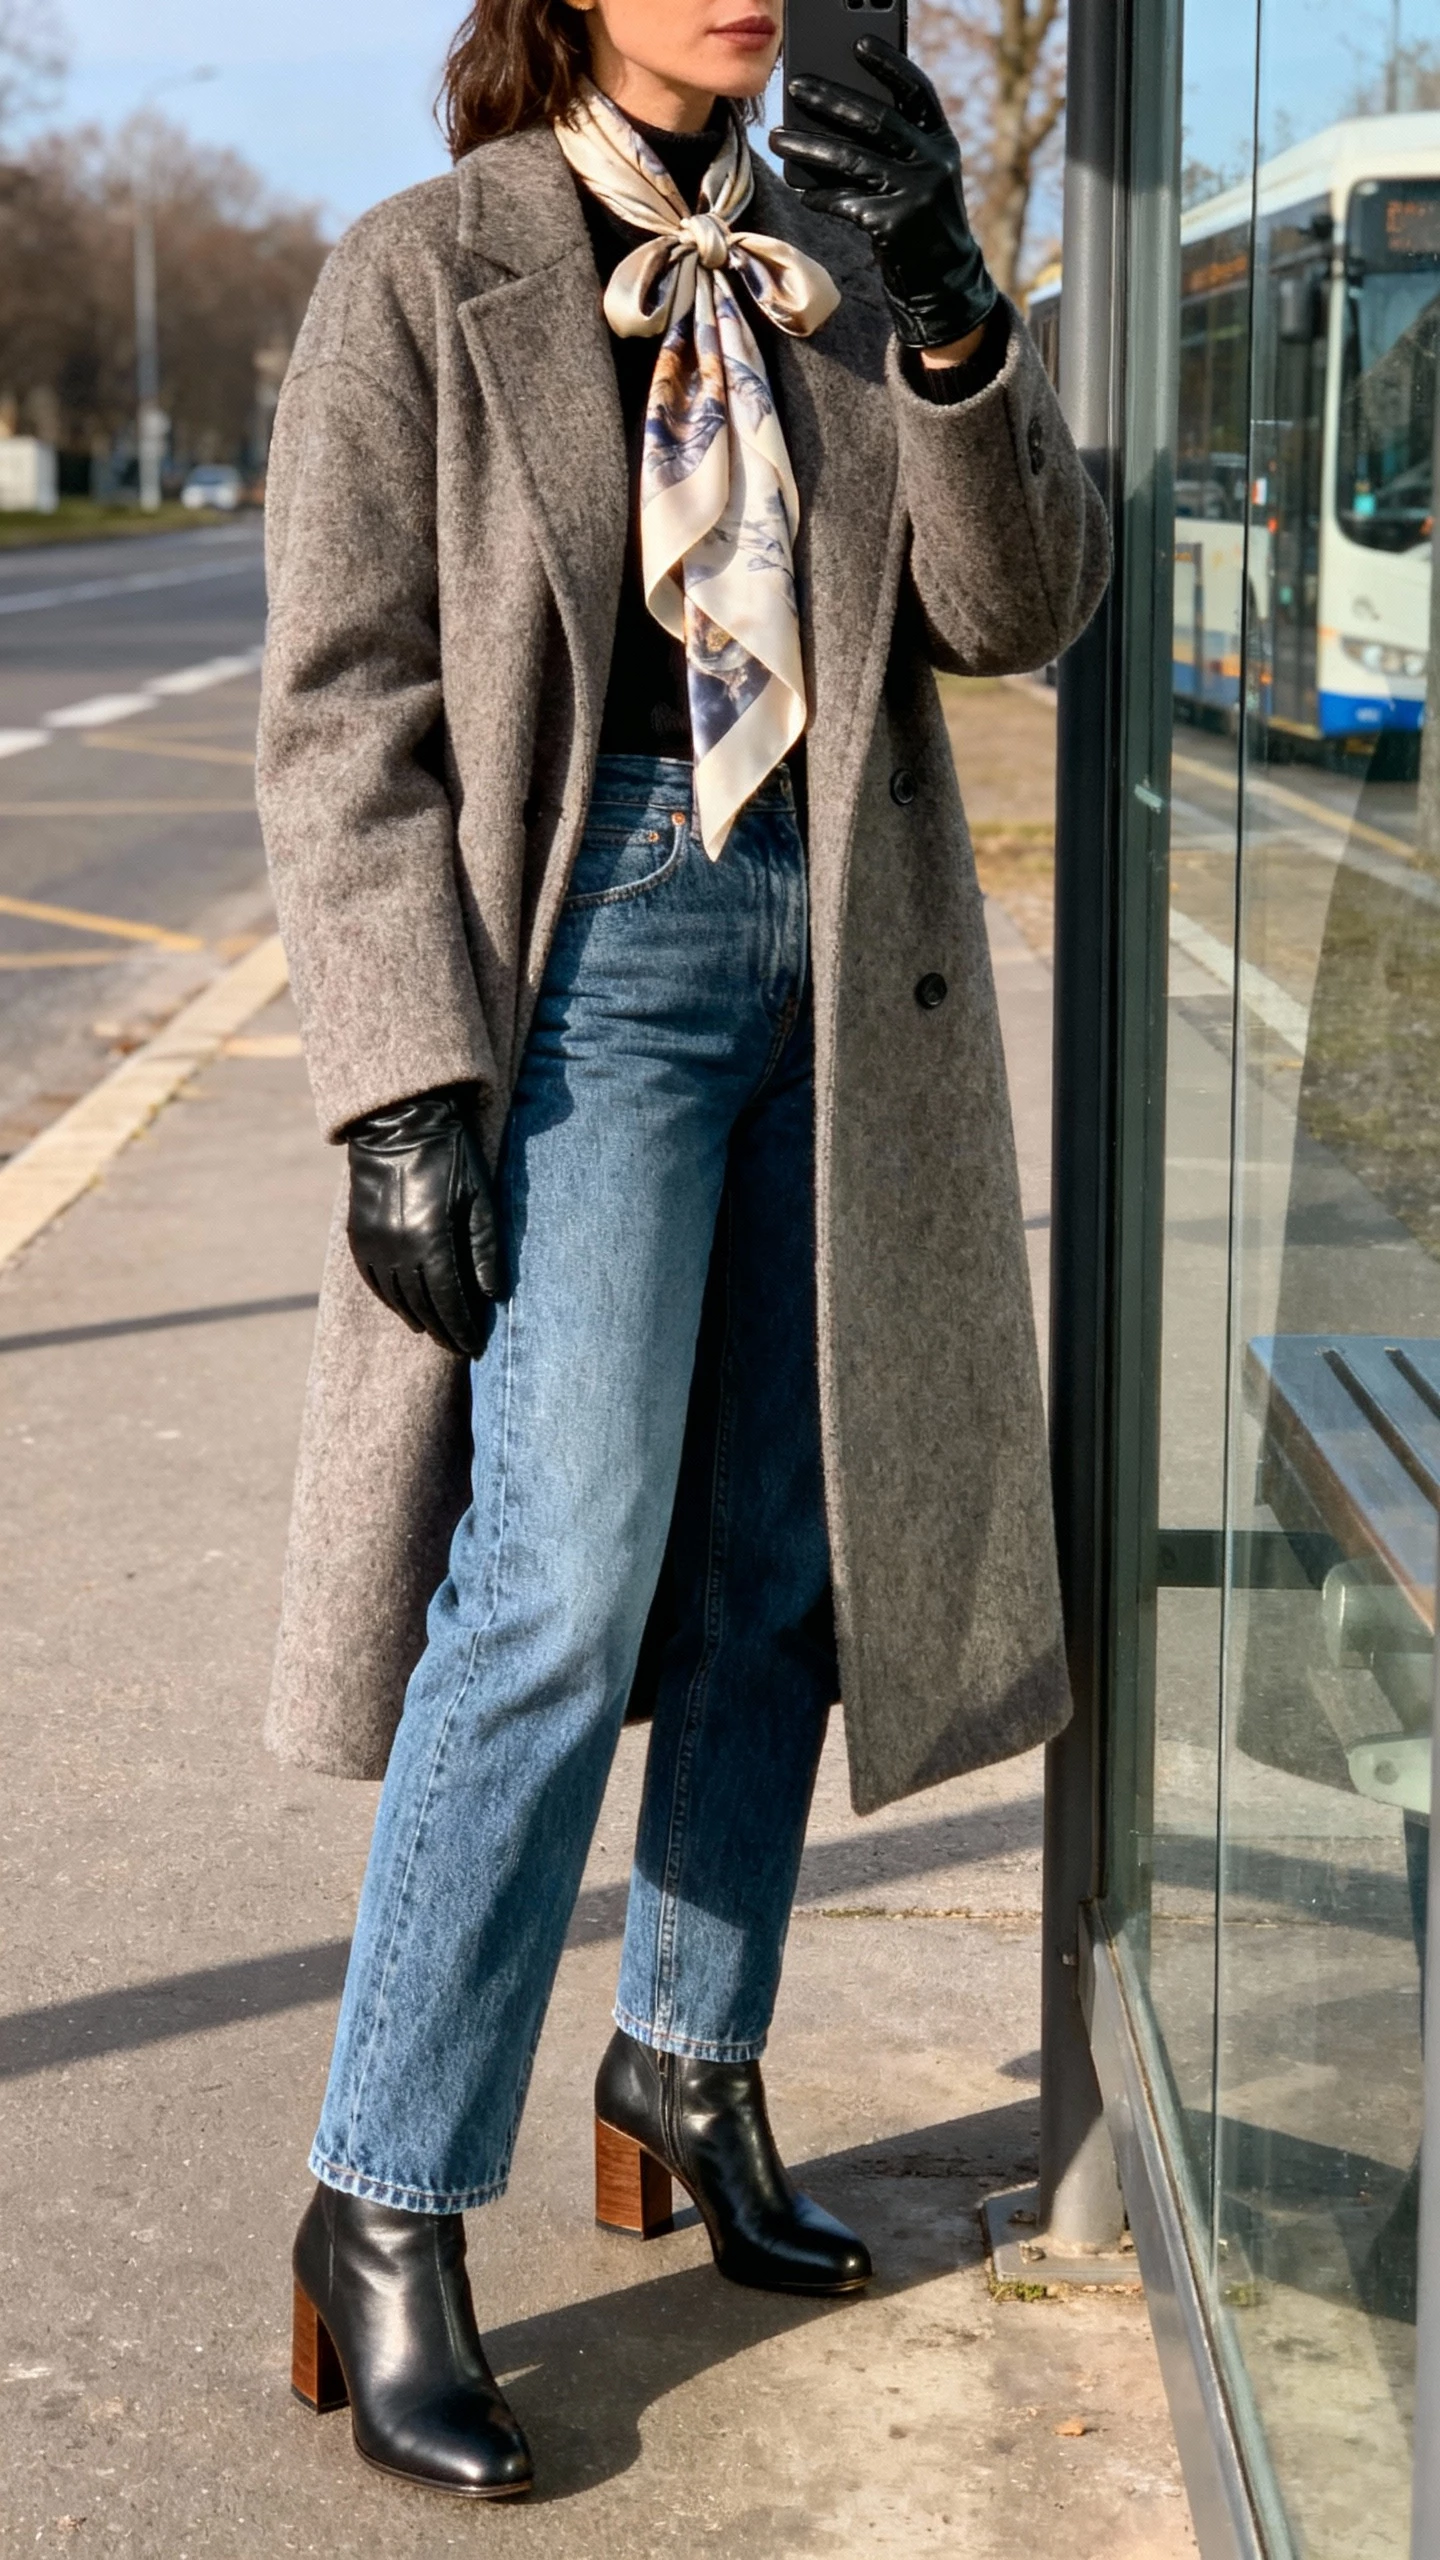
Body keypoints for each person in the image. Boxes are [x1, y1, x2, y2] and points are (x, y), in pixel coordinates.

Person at [256, 0, 1108, 2502]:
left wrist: (949, 309)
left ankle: (689, 2064)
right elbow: (340, 705)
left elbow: (1014, 607)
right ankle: (383, 2194)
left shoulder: (842, 255)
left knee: (779, 1564)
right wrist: (401, 1078)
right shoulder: (422, 271)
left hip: (840, 948)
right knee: (554, 1581)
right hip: (586, 960)